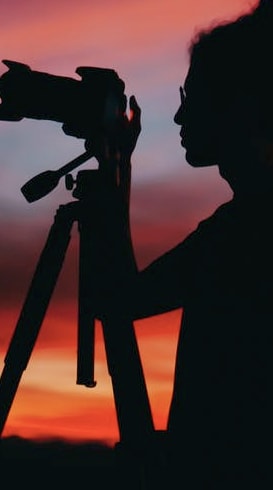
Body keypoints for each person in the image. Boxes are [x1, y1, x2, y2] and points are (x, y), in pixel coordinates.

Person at [91, 0, 273, 487]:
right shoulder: (243, 225)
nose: (177, 115)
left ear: (238, 103)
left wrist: (114, 166)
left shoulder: (243, 234)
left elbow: (119, 299)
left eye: (192, 96)